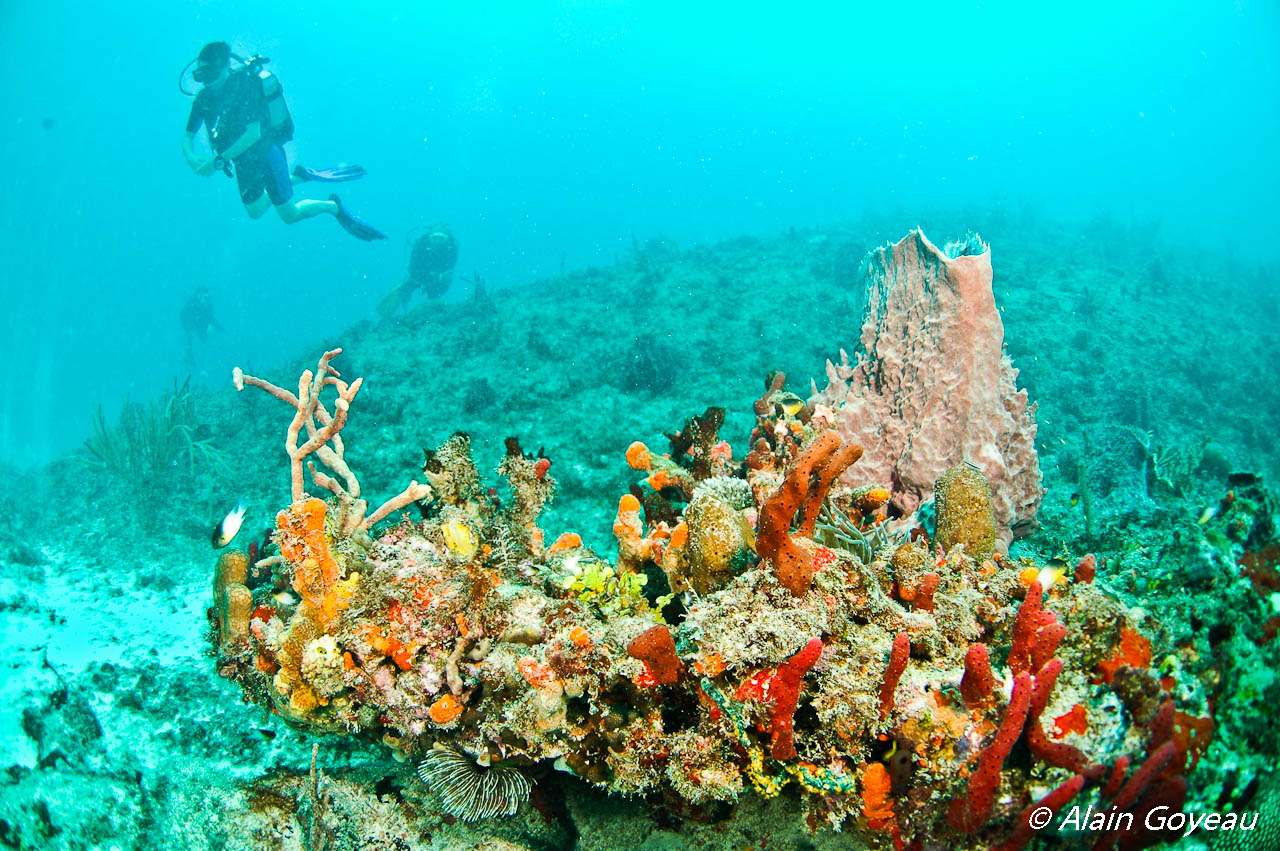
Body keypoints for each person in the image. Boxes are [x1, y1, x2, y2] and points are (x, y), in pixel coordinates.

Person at [180, 41, 385, 241]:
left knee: (290, 215)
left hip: (266, 154)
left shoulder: (244, 87)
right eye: (200, 75)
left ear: (225, 67)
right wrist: (190, 156)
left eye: (211, 74)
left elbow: (253, 134)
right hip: (241, 161)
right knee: (255, 211)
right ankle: (299, 176)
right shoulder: (204, 98)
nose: (206, 81)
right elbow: (188, 135)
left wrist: (217, 161)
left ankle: (333, 207)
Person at [378, 225, 459, 316]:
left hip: (437, 279)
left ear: (447, 240)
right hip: (418, 274)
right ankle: (400, 300)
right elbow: (413, 268)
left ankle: (432, 308)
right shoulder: (420, 244)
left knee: (441, 285)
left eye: (441, 238)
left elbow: (449, 269)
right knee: (408, 286)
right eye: (435, 238)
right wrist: (425, 276)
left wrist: (440, 277)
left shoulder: (451, 249)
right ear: (429, 238)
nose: (437, 242)